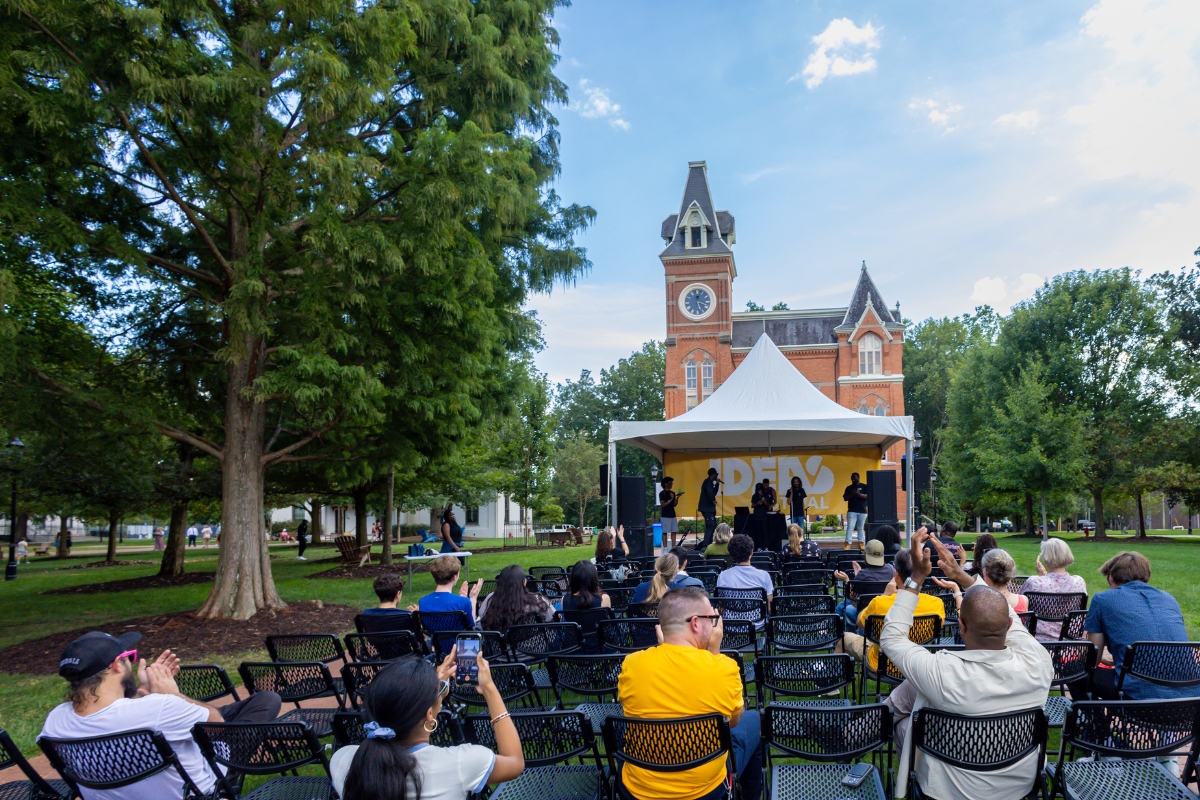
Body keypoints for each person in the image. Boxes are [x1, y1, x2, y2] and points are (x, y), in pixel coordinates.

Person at [882, 530, 1053, 800]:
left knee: (906, 719)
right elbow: (1008, 615)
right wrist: (961, 576)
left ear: (961, 626)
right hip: (1018, 789)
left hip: (945, 791)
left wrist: (916, 577)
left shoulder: (941, 671)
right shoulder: (1040, 662)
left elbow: (891, 637)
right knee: (910, 711)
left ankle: (856, 735)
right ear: (1009, 625)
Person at [41, 631, 282, 800]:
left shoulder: (55, 722)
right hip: (195, 792)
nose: (131, 664)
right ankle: (228, 784)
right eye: (129, 658)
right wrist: (172, 694)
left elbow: (116, 716)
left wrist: (145, 694)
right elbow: (217, 725)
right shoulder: (161, 708)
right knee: (266, 701)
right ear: (116, 665)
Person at [617, 587, 762, 800]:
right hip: (705, 791)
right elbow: (733, 721)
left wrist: (665, 649)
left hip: (638, 790)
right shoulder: (723, 668)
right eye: (711, 618)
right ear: (695, 623)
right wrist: (714, 653)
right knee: (755, 720)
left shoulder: (631, 664)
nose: (713, 624)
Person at [331, 653, 524, 800]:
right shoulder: (461, 764)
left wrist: (433, 690)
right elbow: (514, 762)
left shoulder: (343, 760)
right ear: (429, 714)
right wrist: (489, 688)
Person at [1083, 551, 1200, 699]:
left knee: (1076, 672)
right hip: (1191, 700)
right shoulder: (1169, 599)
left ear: (1111, 577)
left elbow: (1093, 659)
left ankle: (1096, 721)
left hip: (1140, 700)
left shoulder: (1102, 599)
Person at [842, 548, 944, 672]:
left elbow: (860, 622)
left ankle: (831, 687)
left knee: (844, 638)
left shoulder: (880, 602)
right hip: (918, 665)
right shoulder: (936, 604)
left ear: (895, 574)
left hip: (882, 663)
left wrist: (885, 595)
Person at [1019, 538, 1087, 640]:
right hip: (1067, 641)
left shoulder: (1035, 583)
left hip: (1036, 641)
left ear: (1045, 557)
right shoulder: (1079, 582)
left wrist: (1040, 577)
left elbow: (1022, 604)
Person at [833, 539, 896, 631]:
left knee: (847, 609)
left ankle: (842, 633)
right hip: (888, 613)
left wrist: (847, 580)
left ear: (866, 556)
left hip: (867, 615)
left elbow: (853, 600)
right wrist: (858, 575)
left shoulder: (863, 574)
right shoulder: (891, 569)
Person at [716, 534, 774, 627]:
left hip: (730, 622)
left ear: (731, 555)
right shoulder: (764, 576)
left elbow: (721, 604)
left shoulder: (723, 576)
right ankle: (763, 639)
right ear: (752, 552)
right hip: (757, 622)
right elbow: (770, 604)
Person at [478, 565, 555, 635]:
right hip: (535, 647)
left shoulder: (491, 599)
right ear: (524, 582)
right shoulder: (537, 600)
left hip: (499, 647)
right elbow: (554, 621)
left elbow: (481, 617)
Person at [419, 556, 481, 628]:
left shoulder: (423, 602)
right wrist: (473, 598)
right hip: (458, 639)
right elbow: (472, 629)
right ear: (454, 577)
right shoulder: (463, 602)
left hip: (435, 639)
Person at [697, 467, 721, 549]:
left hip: (709, 508)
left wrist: (717, 484)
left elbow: (713, 492)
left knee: (713, 525)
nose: (716, 476)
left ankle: (709, 544)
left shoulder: (710, 483)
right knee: (710, 525)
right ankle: (705, 545)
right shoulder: (707, 482)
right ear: (713, 475)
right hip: (707, 508)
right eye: (716, 475)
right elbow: (710, 493)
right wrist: (712, 501)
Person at [842, 473, 868, 550]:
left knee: (860, 528)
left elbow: (867, 496)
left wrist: (859, 494)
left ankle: (861, 544)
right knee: (850, 527)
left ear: (858, 478)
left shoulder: (864, 486)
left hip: (862, 511)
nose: (853, 480)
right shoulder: (849, 488)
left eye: (855, 478)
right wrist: (852, 494)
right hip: (852, 511)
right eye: (852, 478)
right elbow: (845, 498)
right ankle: (847, 544)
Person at [659, 476, 681, 549]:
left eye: (672, 483)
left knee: (674, 531)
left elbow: (674, 504)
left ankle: (673, 547)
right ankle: (665, 548)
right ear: (665, 484)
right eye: (669, 483)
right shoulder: (662, 493)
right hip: (665, 515)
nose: (671, 484)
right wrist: (671, 499)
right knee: (665, 532)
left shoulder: (673, 493)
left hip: (672, 514)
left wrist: (677, 498)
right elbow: (663, 505)